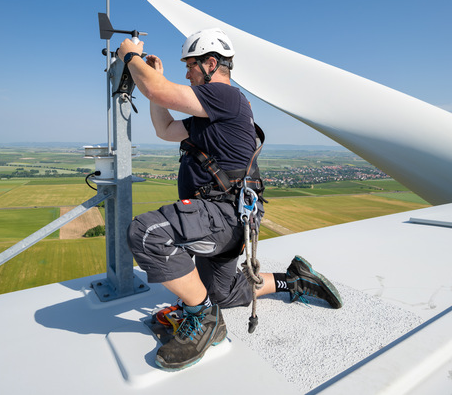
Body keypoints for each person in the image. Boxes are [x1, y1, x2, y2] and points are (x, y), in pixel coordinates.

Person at [116, 28, 342, 372]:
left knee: (147, 233)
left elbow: (156, 89)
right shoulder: (210, 112)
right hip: (228, 219)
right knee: (223, 294)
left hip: (222, 215)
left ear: (210, 63)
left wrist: (129, 55)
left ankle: (204, 321)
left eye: (190, 65)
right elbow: (165, 129)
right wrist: (155, 83)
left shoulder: (225, 96)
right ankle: (293, 279)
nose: (186, 73)